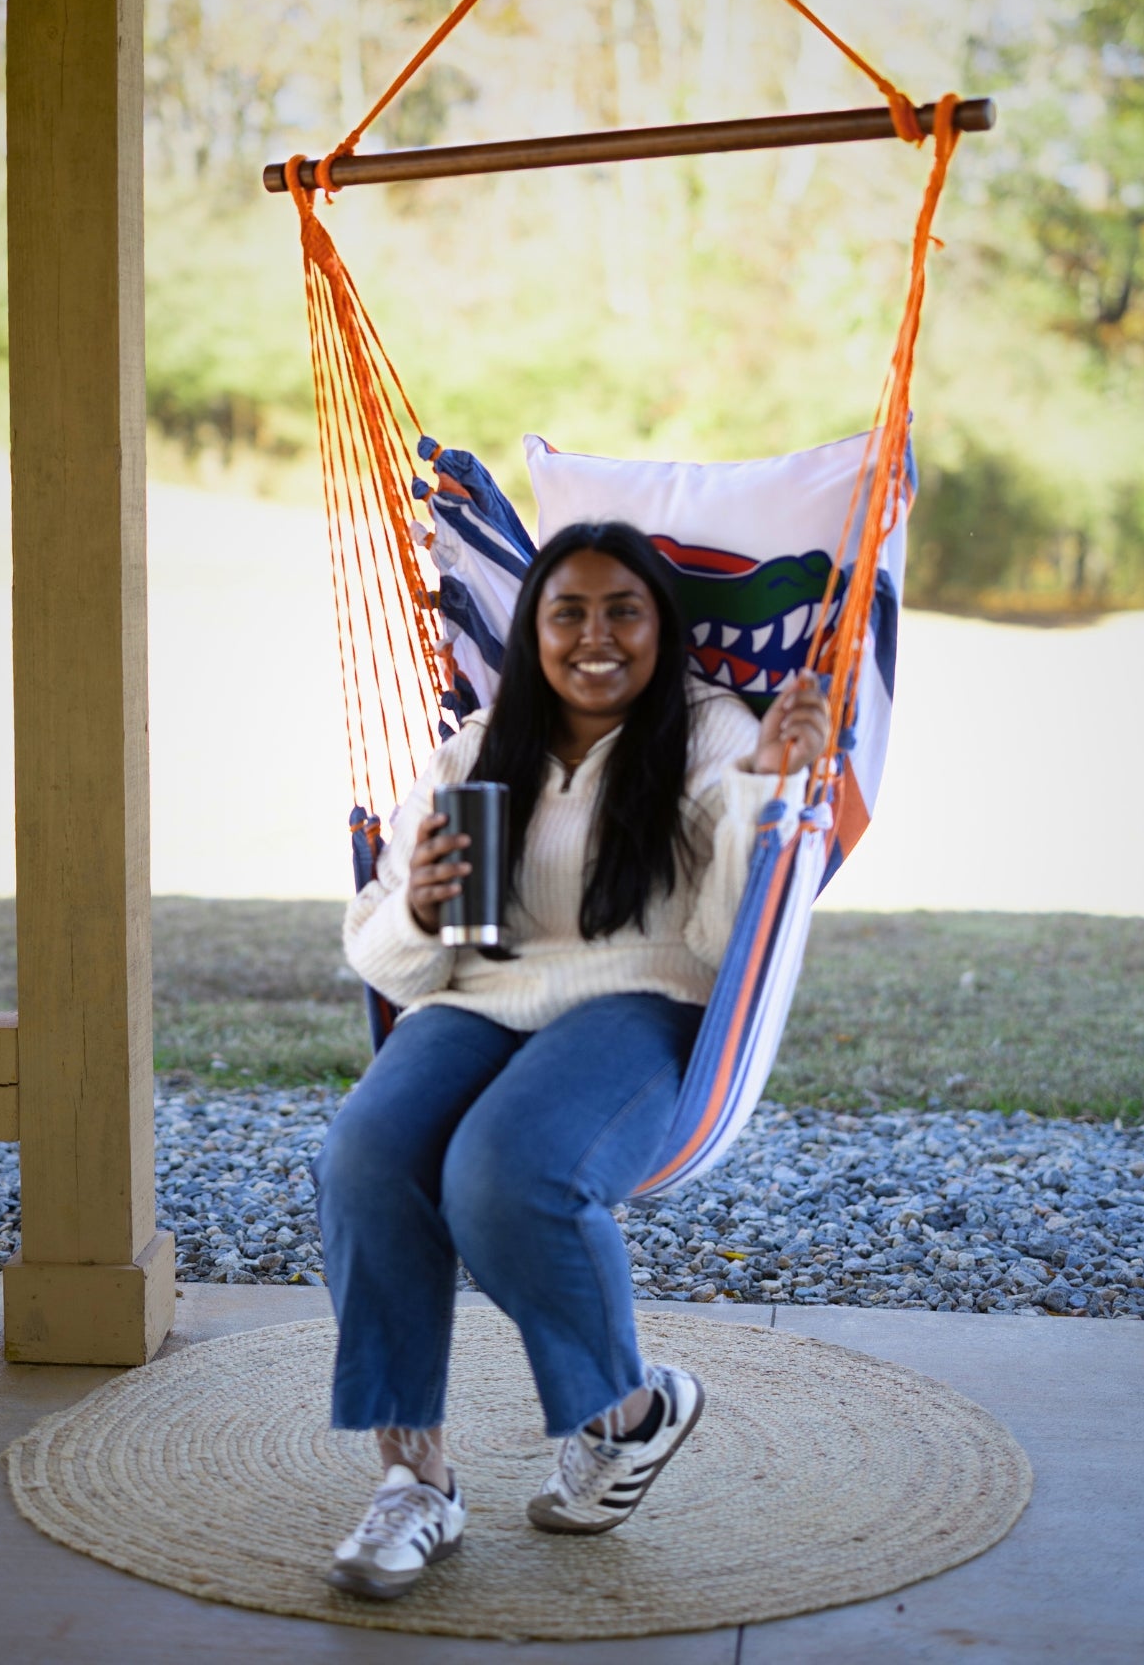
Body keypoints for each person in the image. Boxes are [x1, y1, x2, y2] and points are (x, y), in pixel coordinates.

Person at [313, 520, 830, 1599]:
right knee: (363, 1152)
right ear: (532, 632)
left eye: (623, 610)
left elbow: (735, 936)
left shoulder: (706, 733)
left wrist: (767, 792)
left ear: (660, 627)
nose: (596, 636)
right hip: (477, 996)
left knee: (506, 1170)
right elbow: (386, 955)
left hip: (642, 1002)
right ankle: (417, 1479)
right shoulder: (474, 747)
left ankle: (629, 1413)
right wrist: (414, 905)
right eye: (568, 612)